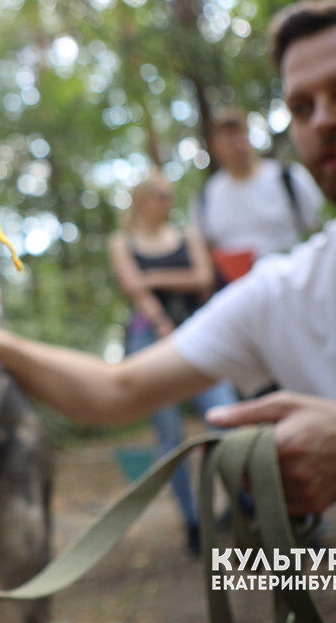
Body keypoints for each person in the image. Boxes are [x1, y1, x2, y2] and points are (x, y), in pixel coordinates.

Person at [0, 0, 336, 602]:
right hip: (166, 335)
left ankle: (286, 545)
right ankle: (206, 533)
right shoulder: (283, 291)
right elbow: (118, 389)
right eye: (302, 105)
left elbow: (191, 275)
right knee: (186, 437)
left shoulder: (234, 256)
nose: (323, 119)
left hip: (191, 324)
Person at [109, 172, 238, 553]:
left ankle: (244, 503)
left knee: (224, 417)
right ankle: (193, 523)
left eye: (170, 195)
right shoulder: (123, 242)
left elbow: (202, 277)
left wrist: (153, 276)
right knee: (169, 435)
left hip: (200, 332)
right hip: (150, 338)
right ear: (142, 200)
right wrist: (161, 320)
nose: (168, 200)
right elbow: (134, 289)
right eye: (161, 195)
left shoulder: (188, 236)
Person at [195, 106, 324, 284]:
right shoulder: (206, 196)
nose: (237, 145)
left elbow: (318, 230)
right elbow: (203, 250)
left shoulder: (288, 177)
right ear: (215, 147)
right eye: (228, 139)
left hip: (295, 281)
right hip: (235, 291)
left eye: (240, 135)